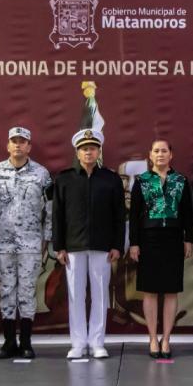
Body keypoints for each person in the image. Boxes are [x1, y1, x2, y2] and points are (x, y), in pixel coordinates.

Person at [53, 129, 124, 359]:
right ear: (77, 152)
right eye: (84, 148)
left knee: (100, 294)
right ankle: (78, 343)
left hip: (102, 245)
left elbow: (119, 215)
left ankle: (97, 342)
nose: (88, 152)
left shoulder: (111, 179)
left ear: (99, 151)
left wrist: (117, 245)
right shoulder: (64, 179)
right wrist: (59, 246)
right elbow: (57, 215)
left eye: (92, 148)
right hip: (73, 246)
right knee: (75, 294)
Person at [0, 126, 53, 359]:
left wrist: (47, 238)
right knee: (6, 290)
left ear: (29, 146)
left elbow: (50, 209)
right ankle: (8, 342)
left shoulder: (41, 174)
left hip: (31, 242)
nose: (18, 145)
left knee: (26, 291)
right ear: (7, 145)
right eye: (14, 141)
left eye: (22, 141)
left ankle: (26, 342)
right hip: (2, 242)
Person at [128, 139, 193, 359]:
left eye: (164, 150)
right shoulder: (143, 181)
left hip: (173, 239)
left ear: (171, 155)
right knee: (150, 290)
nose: (160, 154)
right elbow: (134, 215)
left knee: (171, 290)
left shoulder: (180, 180)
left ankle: (166, 339)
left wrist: (188, 239)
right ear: (150, 154)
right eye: (156, 150)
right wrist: (134, 243)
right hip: (149, 239)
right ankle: (152, 338)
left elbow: (187, 213)